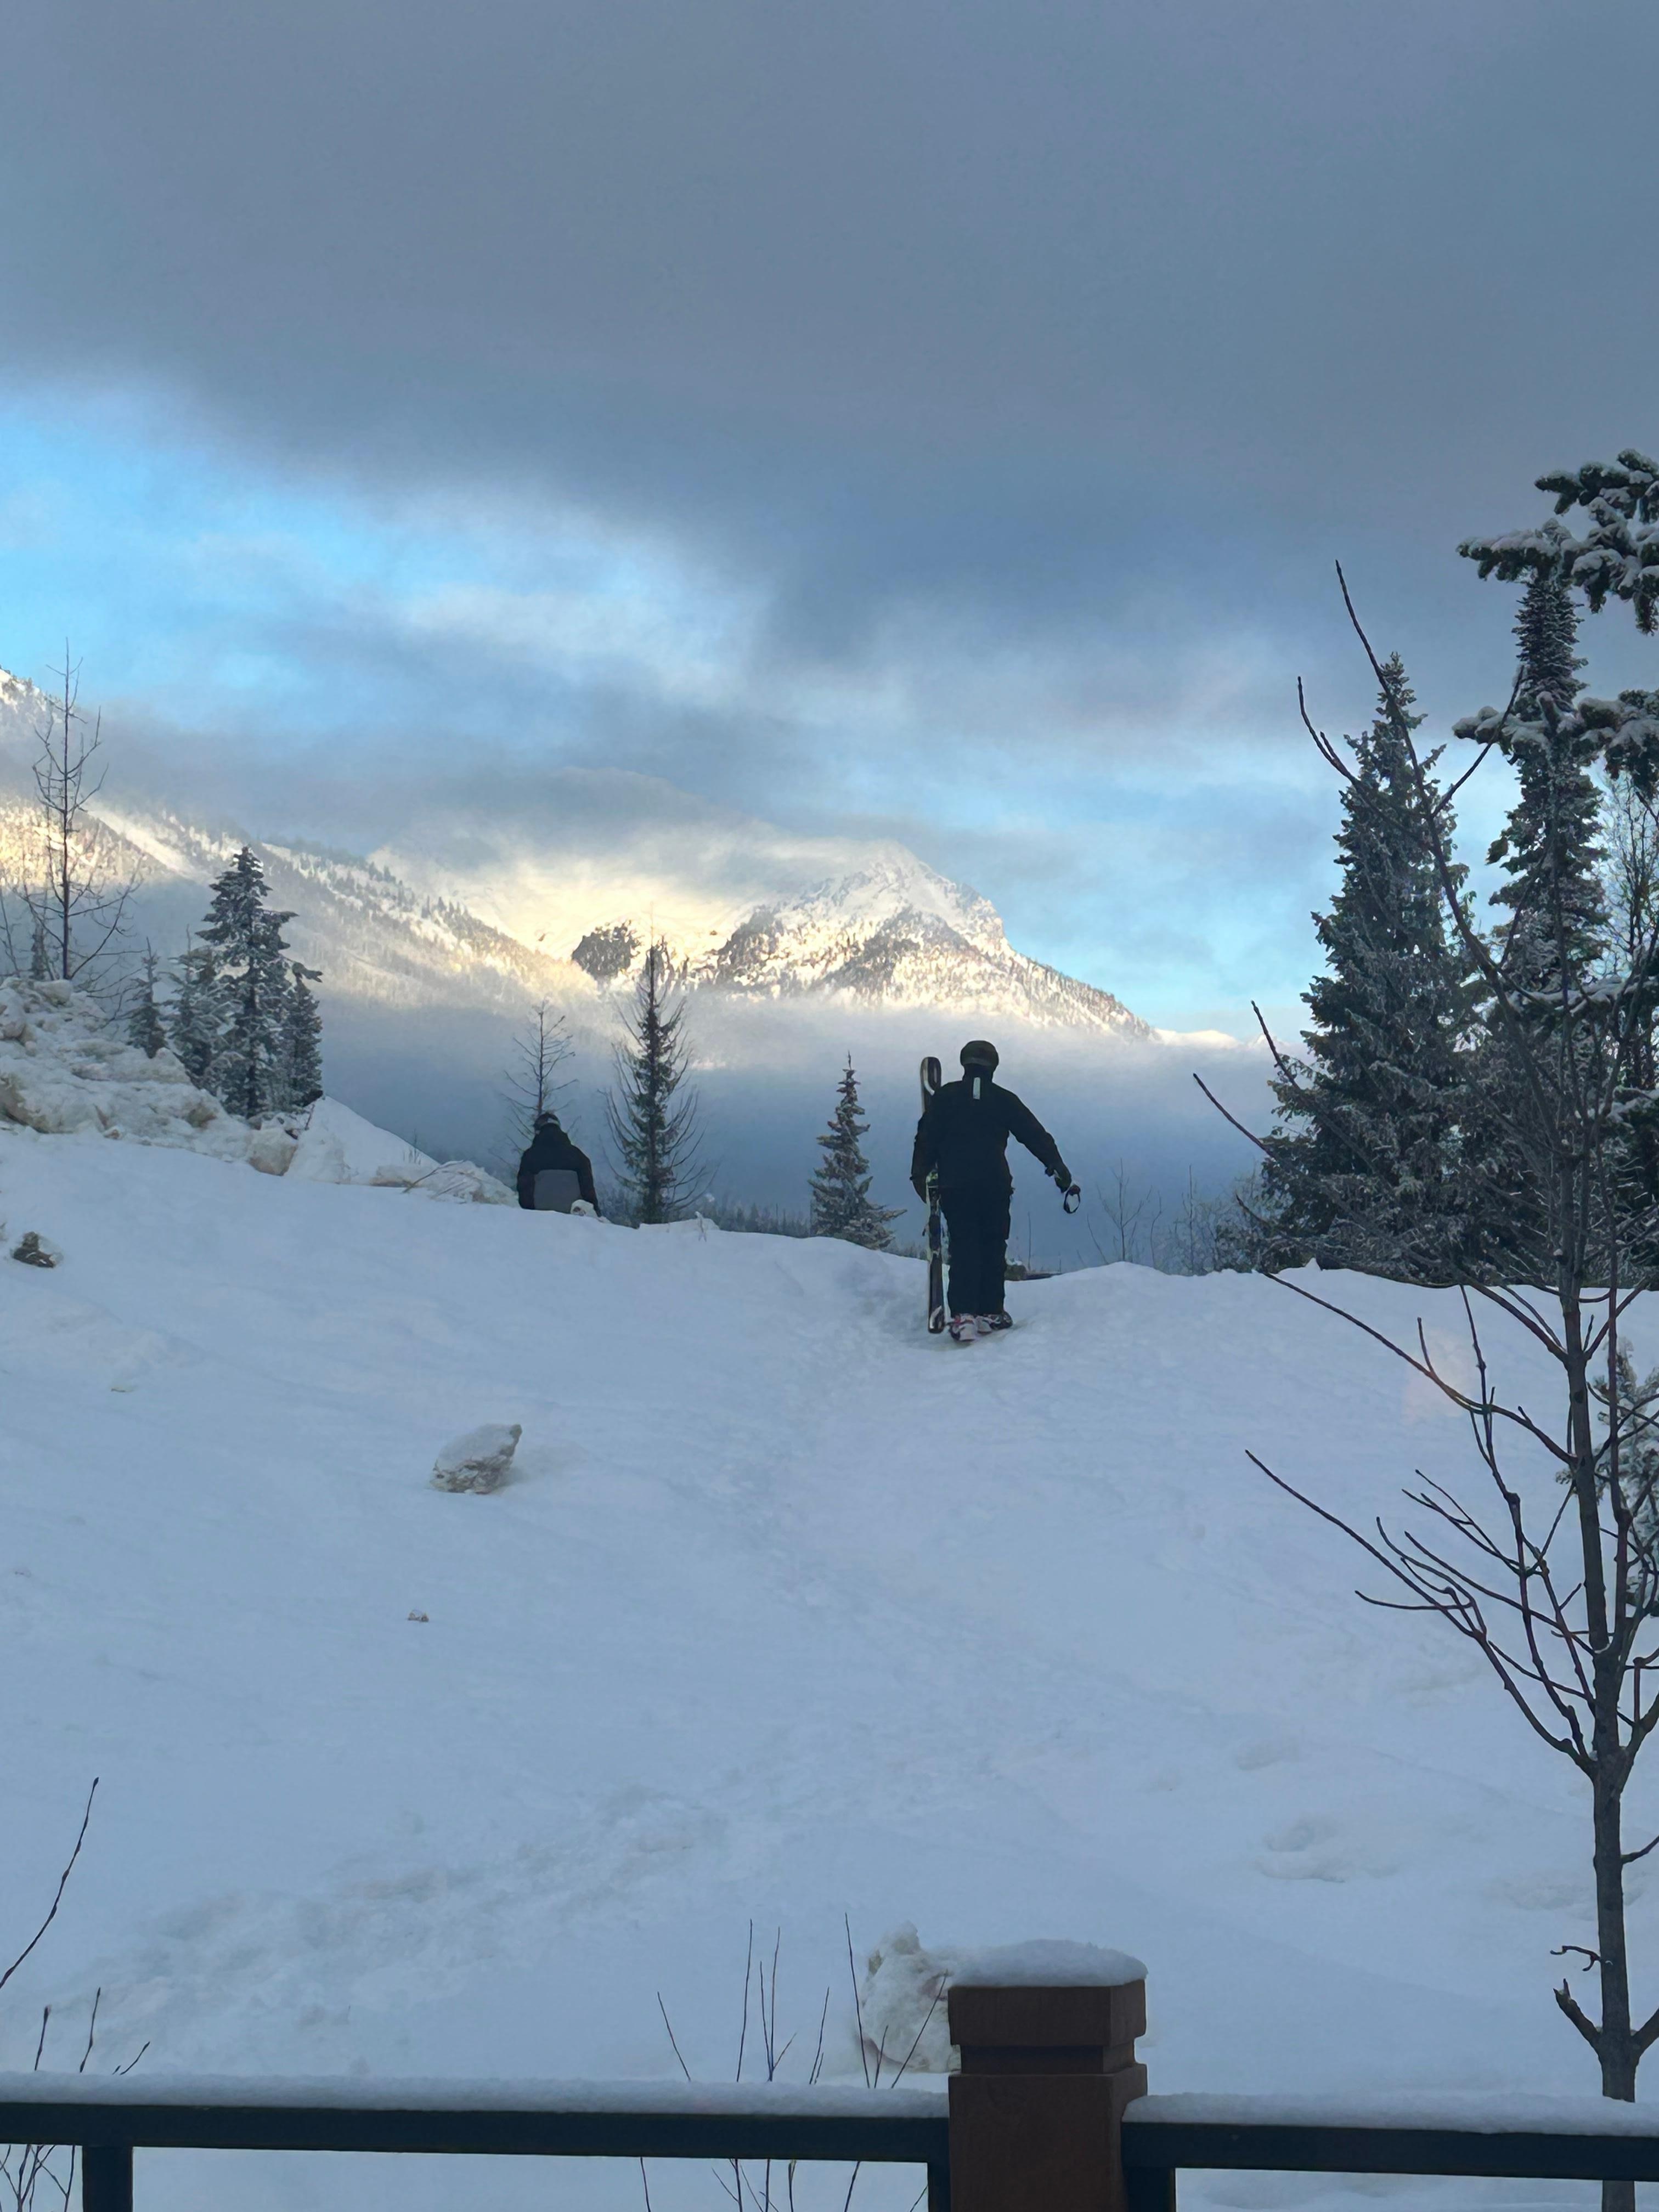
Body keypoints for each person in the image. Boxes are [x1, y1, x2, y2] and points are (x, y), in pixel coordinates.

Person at [910, 1040, 1079, 1344]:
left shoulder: (946, 1097)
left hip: (955, 1185)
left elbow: (925, 1138)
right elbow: (1034, 1134)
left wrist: (919, 1176)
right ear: (994, 1066)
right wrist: (1059, 1170)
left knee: (964, 1245)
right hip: (995, 1185)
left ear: (965, 1063)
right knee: (993, 1244)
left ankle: (964, 1315)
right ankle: (991, 1310)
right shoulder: (1004, 1099)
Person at [516, 1111, 600, 1214]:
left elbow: (524, 1191)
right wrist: (595, 1213)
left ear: (538, 1131)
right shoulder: (579, 1156)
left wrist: (531, 1213)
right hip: (573, 1216)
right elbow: (588, 1191)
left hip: (540, 1216)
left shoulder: (529, 1156)